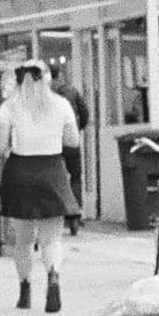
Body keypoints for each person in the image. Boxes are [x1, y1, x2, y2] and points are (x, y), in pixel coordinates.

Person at [0, 61, 81, 312]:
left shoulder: (9, 107)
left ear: (19, 81)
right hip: (52, 171)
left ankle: (25, 291)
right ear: (47, 79)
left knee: (24, 240)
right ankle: (53, 276)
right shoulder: (61, 105)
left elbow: (1, 146)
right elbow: (72, 141)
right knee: (52, 239)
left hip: (20, 172)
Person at [50, 61, 92, 229]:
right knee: (75, 176)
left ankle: (54, 213)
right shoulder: (71, 91)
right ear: (59, 74)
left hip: (51, 142)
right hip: (70, 140)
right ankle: (76, 212)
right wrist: (77, 129)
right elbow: (85, 114)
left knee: (52, 176)